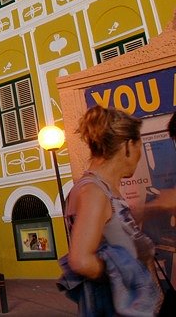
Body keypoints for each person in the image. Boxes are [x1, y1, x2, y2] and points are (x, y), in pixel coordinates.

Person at [58, 106, 163, 315]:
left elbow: (111, 231)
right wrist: (128, 276)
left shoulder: (101, 190)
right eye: (139, 145)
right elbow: (80, 260)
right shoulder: (93, 192)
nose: (140, 155)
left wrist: (155, 207)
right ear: (127, 146)